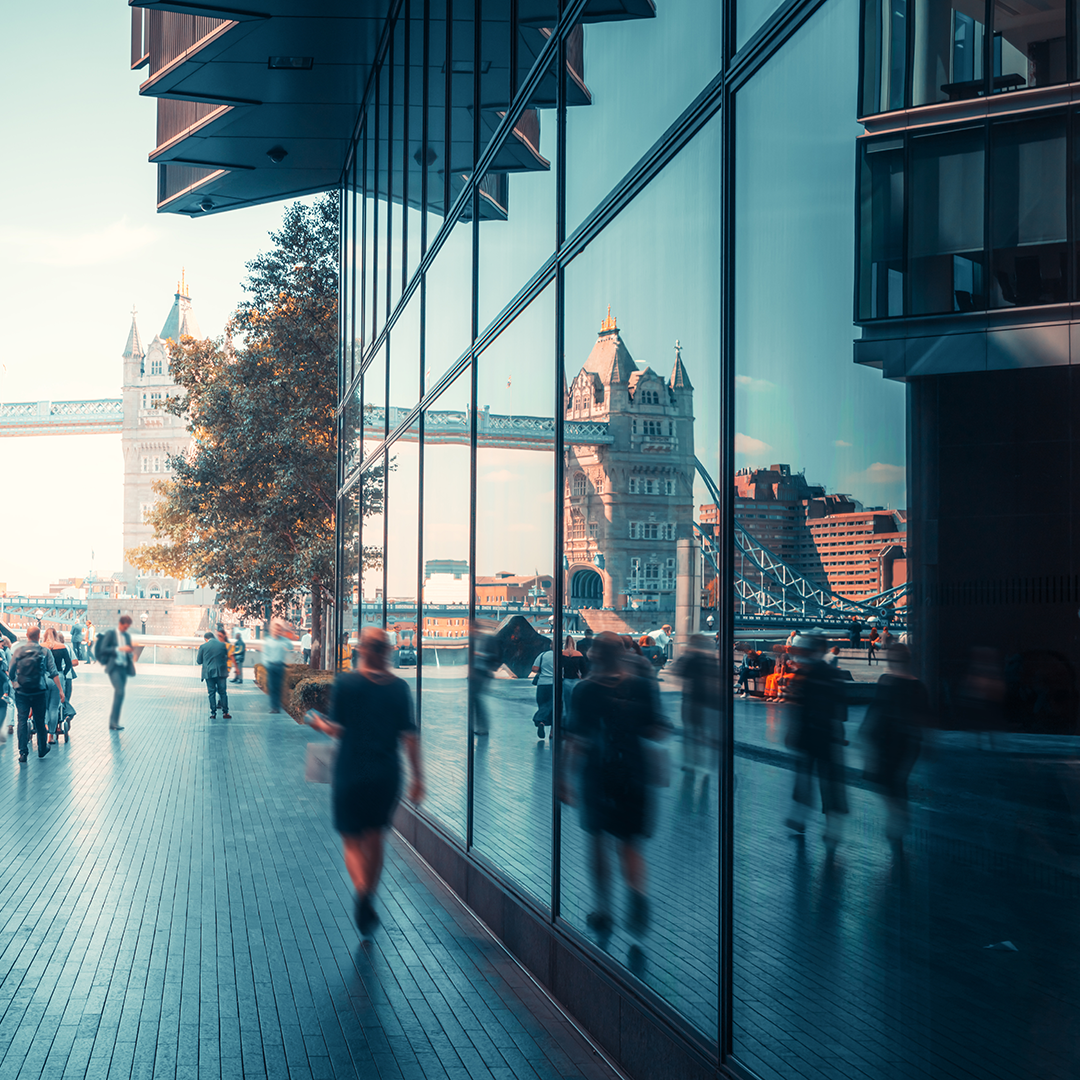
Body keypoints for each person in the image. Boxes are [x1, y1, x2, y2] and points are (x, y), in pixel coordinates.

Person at [299, 627, 424, 937]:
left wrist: (318, 723)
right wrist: (419, 778)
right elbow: (410, 737)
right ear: (387, 652)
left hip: (351, 770)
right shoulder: (400, 688)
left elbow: (338, 729)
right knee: (376, 837)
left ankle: (362, 893)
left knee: (352, 839)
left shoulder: (347, 683)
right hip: (386, 773)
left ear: (362, 651)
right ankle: (369, 894)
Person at [563, 632, 669, 971]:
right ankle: (637, 892)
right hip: (634, 773)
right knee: (630, 844)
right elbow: (657, 730)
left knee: (597, 843)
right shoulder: (642, 685)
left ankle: (604, 909)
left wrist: (563, 778)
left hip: (598, 774)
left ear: (594, 656)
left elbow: (576, 739)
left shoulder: (585, 690)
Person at [784, 634, 848, 848]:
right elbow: (841, 708)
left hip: (807, 735)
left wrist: (792, 731)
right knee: (829, 782)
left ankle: (800, 818)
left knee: (804, 778)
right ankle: (832, 827)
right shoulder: (832, 674)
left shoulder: (804, 674)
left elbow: (796, 705)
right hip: (827, 734)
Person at [861, 643, 926, 847]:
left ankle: (897, 814)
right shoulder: (918, 686)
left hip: (887, 739)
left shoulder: (887, 681)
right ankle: (899, 815)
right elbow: (924, 717)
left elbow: (875, 709)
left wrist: (865, 731)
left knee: (883, 779)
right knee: (897, 780)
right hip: (907, 741)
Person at [10, 627, 64, 761]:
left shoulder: (18, 651)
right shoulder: (44, 651)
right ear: (39, 636)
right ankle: (42, 748)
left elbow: (11, 673)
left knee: (22, 720)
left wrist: (16, 684)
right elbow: (53, 672)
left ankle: (23, 753)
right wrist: (60, 690)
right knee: (39, 720)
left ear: (27, 635)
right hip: (39, 691)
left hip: (22, 692)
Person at [672, 635, 721, 774]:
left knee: (690, 733)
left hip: (692, 700)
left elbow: (678, 672)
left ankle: (692, 763)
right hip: (711, 702)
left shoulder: (690, 658)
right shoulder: (711, 659)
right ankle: (711, 764)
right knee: (709, 734)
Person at [98, 616, 136, 731]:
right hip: (114, 667)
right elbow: (103, 649)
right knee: (119, 692)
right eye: (125, 627)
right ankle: (113, 722)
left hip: (124, 668)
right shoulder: (111, 634)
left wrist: (130, 652)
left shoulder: (127, 636)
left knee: (120, 694)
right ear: (120, 624)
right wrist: (120, 649)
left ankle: (114, 721)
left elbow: (128, 650)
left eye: (128, 627)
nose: (126, 629)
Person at [41, 628, 75, 743]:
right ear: (56, 635)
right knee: (54, 708)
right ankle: (51, 735)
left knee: (44, 706)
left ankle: (44, 730)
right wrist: (63, 674)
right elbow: (69, 664)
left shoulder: (41, 646)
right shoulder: (62, 646)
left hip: (44, 676)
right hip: (58, 677)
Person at [197, 631, 232, 720]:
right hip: (221, 672)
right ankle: (225, 712)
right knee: (223, 692)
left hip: (209, 673)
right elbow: (227, 657)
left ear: (206, 639)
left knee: (211, 693)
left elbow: (199, 661)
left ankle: (213, 713)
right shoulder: (222, 645)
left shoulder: (203, 646)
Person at [262, 618, 294, 714]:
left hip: (280, 666)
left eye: (279, 629)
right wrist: (266, 664)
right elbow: (265, 654)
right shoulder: (268, 640)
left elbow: (290, 647)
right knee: (272, 688)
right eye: (276, 629)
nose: (277, 631)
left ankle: (277, 706)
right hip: (271, 666)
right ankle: (273, 707)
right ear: (272, 629)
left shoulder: (283, 640)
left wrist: (285, 634)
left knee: (279, 687)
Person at [530, 640, 555, 740]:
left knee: (542, 705)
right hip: (554, 684)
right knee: (554, 708)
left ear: (550, 645)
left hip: (542, 684)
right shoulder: (561, 656)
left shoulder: (542, 655)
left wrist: (543, 670)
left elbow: (534, 669)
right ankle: (552, 732)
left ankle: (541, 722)